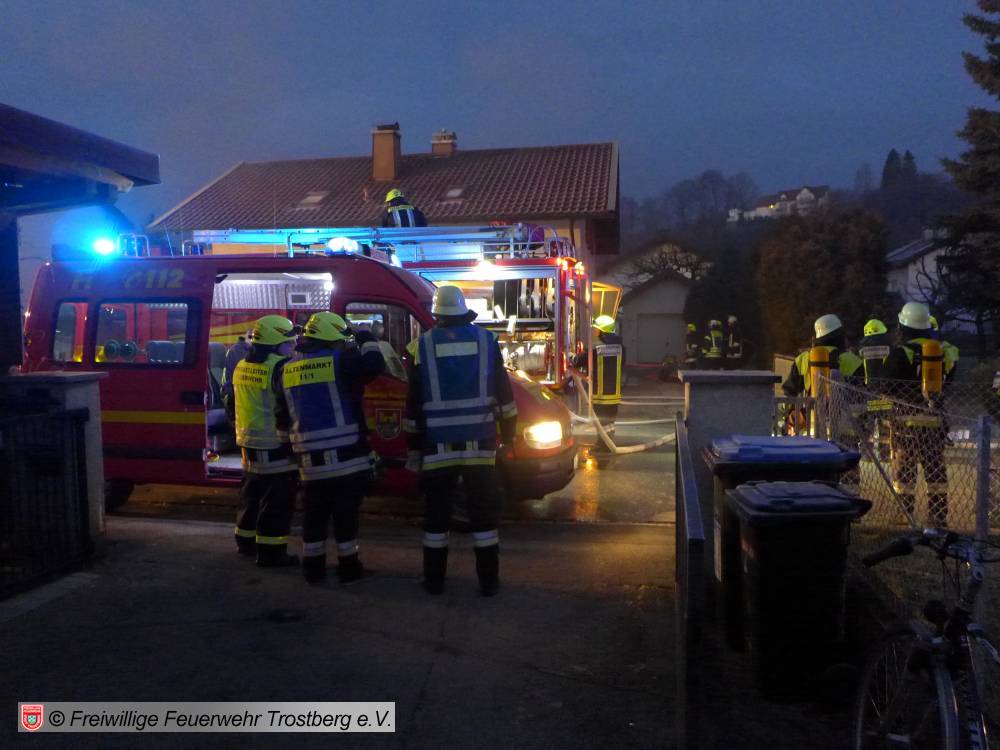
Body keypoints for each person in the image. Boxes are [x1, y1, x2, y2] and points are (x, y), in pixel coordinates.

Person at [404, 285, 517, 596]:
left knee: (436, 518)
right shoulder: (486, 341)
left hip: (436, 447)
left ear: (437, 314)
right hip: (480, 444)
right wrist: (509, 435)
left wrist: (413, 446)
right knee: (484, 516)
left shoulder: (421, 346)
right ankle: (489, 583)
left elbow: (413, 404)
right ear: (464, 310)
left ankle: (434, 582)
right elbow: (504, 395)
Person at [282, 312, 386, 584]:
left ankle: (312, 570)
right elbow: (375, 364)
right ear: (331, 339)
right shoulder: (341, 361)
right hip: (346, 457)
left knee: (313, 518)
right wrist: (365, 337)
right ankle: (349, 569)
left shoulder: (287, 368)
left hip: (309, 463)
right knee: (345, 517)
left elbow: (283, 416)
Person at [225, 315, 299, 566]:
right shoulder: (281, 367)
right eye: (289, 342)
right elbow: (289, 407)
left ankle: (244, 542)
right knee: (276, 502)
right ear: (275, 343)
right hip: (275, 444)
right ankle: (271, 553)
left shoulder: (241, 365)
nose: (293, 347)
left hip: (247, 442)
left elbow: (231, 402)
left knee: (250, 496)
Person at [883, 302, 957, 527]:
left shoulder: (900, 353)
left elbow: (886, 387)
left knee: (905, 472)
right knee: (935, 471)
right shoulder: (945, 352)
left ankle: (904, 516)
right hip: (935, 422)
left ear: (903, 325)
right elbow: (949, 381)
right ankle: (938, 516)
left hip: (905, 424)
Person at [574, 315, 624, 454]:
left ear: (602, 331)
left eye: (596, 329)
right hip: (614, 393)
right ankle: (607, 444)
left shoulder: (596, 348)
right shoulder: (620, 347)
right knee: (610, 422)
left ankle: (604, 447)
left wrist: (572, 357)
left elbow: (577, 362)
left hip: (601, 394)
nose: (595, 331)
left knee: (602, 422)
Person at [858, 319, 893, 459]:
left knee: (869, 423)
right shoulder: (889, 346)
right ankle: (885, 453)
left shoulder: (862, 349)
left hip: (869, 390)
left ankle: (866, 453)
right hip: (886, 391)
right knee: (885, 422)